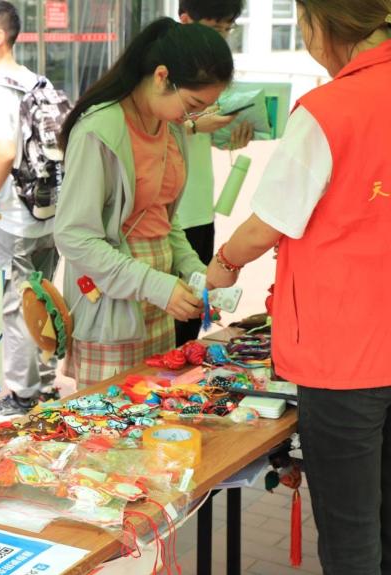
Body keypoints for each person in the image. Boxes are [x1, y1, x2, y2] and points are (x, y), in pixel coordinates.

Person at [206, 1, 391, 571]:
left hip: (346, 355)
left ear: (324, 25)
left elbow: (266, 224)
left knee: (351, 530)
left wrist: (225, 262)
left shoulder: (329, 110)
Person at [55, 18, 233, 387]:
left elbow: (164, 218)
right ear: (162, 77)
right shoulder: (99, 130)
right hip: (110, 297)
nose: (194, 118)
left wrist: (193, 271)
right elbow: (74, 237)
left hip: (158, 295)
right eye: (193, 104)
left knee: (155, 403)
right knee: (109, 414)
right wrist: (156, 285)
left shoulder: (170, 129)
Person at [0, 0, 61, 423]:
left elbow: (4, 151)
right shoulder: (37, 81)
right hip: (47, 211)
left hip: (14, 217)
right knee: (44, 299)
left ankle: (22, 396)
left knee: (17, 305)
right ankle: (45, 384)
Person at [173, 0, 254, 345]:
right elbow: (149, 128)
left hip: (200, 210)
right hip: (172, 214)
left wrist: (230, 134)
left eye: (227, 29)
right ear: (185, 20)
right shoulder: (166, 68)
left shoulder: (213, 72)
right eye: (215, 27)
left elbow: (205, 133)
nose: (221, 37)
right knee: (172, 313)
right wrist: (193, 124)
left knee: (194, 311)